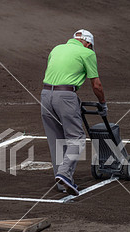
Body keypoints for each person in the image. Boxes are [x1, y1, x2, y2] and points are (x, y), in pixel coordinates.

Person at [41, 29, 107, 196]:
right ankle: (64, 174)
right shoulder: (87, 53)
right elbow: (96, 85)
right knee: (76, 138)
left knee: (56, 140)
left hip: (45, 95)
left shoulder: (56, 48)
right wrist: (103, 104)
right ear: (88, 44)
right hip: (65, 96)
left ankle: (62, 183)